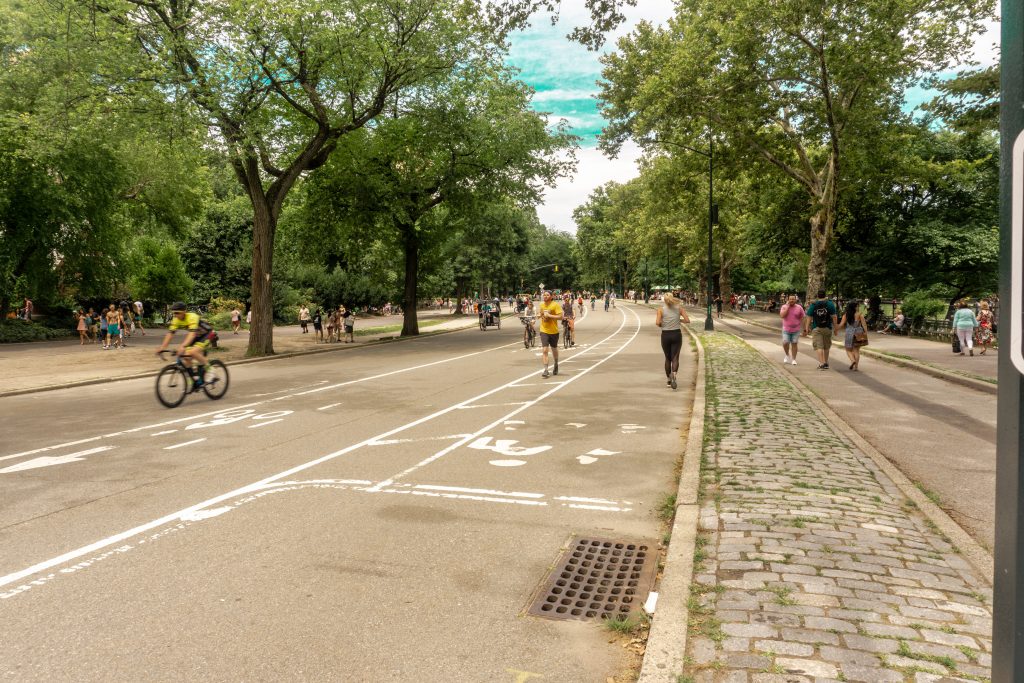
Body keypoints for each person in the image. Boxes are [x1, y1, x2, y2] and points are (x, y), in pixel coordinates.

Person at [157, 302, 217, 386]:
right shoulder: (176, 319)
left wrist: (182, 346)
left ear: (184, 311)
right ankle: (194, 380)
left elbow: (191, 334)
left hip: (208, 334)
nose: (175, 315)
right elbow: (170, 333)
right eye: (174, 313)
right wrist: (162, 347)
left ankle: (211, 370)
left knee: (193, 352)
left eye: (177, 313)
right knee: (186, 357)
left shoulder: (192, 317)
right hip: (197, 336)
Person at [656, 293, 690, 390]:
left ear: (664, 300)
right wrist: (679, 321)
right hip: (676, 334)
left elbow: (657, 323)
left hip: (665, 335)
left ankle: (668, 379)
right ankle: (674, 374)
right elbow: (687, 320)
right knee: (675, 357)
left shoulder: (660, 310)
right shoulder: (679, 308)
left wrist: (663, 324)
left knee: (667, 358)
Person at [803, 289, 837, 370]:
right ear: (825, 295)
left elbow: (809, 317)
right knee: (826, 346)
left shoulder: (814, 304)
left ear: (817, 295)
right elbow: (834, 317)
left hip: (816, 327)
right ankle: (826, 362)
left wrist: (807, 328)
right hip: (827, 327)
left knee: (819, 346)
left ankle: (821, 363)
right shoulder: (830, 304)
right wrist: (836, 328)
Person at [538, 291, 563, 378]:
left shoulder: (555, 305)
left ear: (551, 296)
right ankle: (546, 370)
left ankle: (556, 363)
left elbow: (561, 317)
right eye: (544, 295)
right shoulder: (541, 305)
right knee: (545, 350)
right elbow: (541, 314)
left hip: (554, 331)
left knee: (554, 349)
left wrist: (549, 315)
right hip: (544, 330)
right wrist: (539, 316)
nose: (545, 296)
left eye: (547, 295)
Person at [838, 300, 868, 371]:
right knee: (856, 350)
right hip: (858, 333)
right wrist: (865, 332)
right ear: (855, 307)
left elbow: (841, 324)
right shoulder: (859, 314)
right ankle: (856, 367)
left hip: (849, 333)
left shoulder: (846, 315)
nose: (858, 307)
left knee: (848, 349)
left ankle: (852, 360)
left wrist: (836, 329)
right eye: (857, 306)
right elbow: (864, 324)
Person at [779, 295, 805, 366]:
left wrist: (805, 328)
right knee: (785, 342)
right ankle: (787, 354)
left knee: (794, 343)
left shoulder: (799, 307)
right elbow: (782, 316)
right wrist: (787, 307)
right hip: (786, 329)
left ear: (795, 300)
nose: (792, 300)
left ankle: (794, 359)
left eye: (793, 299)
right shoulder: (784, 307)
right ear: (788, 300)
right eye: (790, 299)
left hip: (796, 329)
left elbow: (803, 317)